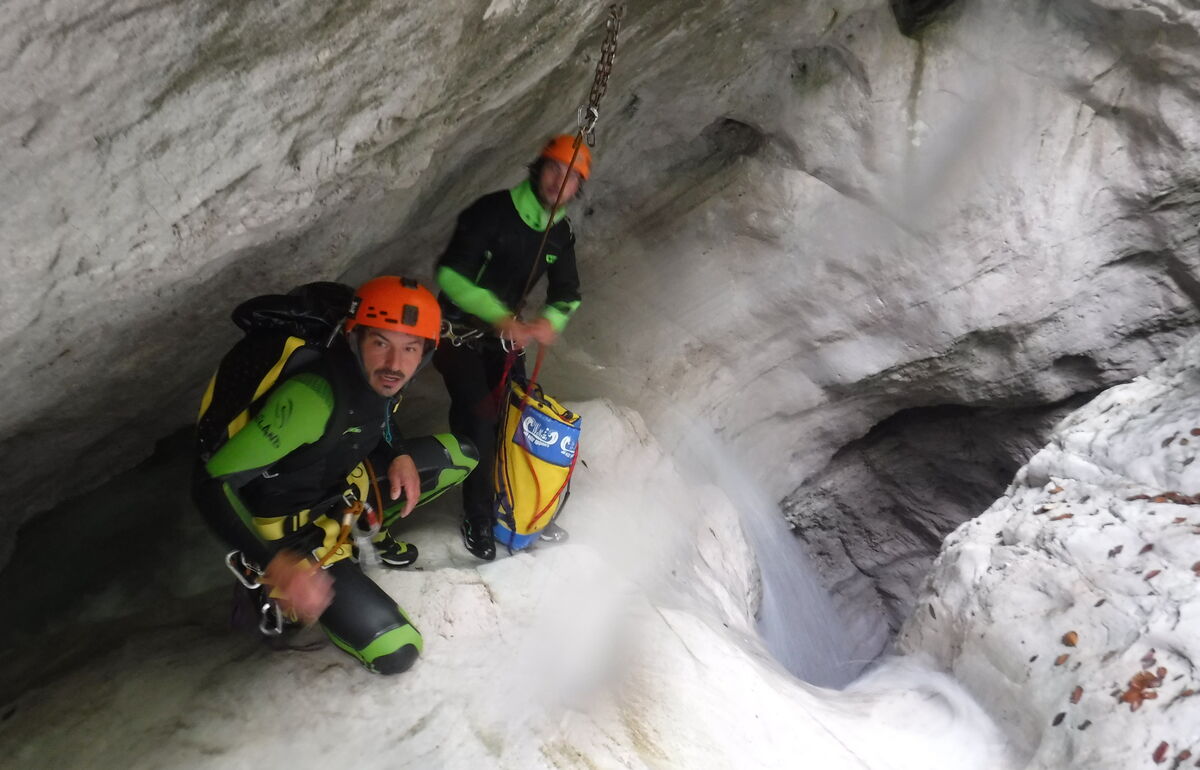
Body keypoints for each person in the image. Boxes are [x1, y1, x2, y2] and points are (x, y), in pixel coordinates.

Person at [192, 276, 478, 674]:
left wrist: (397, 454)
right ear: (354, 337)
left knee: (461, 455)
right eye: (381, 343)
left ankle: (369, 535)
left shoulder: (382, 381)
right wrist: (277, 565)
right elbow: (212, 485)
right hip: (296, 540)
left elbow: (371, 420)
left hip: (343, 493)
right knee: (397, 650)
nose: (395, 364)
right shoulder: (311, 399)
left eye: (410, 348)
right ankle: (276, 594)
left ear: (426, 353)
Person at [433, 135, 590, 561]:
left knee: (516, 420)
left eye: (573, 177)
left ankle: (519, 506)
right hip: (456, 334)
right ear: (539, 168)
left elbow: (568, 293)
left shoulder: (559, 234)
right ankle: (478, 516)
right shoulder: (492, 212)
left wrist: (547, 322)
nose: (561, 182)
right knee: (480, 421)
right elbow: (450, 276)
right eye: (556, 169)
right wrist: (502, 317)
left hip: (504, 338)